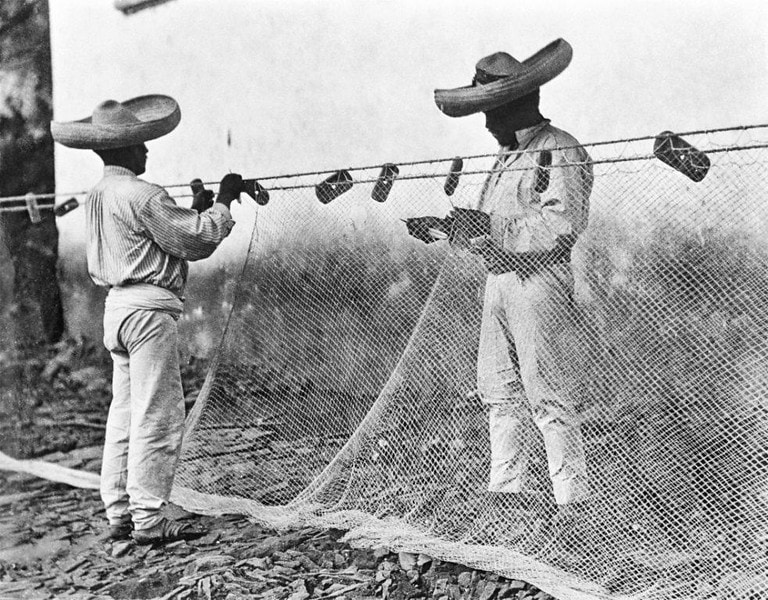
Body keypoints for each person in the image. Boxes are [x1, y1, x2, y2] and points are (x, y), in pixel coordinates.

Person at [411, 39, 594, 526]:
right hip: (500, 281)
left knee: (546, 388)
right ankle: (506, 491)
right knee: (498, 388)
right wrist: (450, 227)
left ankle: (571, 500)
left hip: (540, 283)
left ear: (516, 104)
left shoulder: (559, 148)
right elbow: (493, 226)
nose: (487, 123)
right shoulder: (505, 157)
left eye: (491, 111)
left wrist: (486, 228)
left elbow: (560, 225)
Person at [51, 95, 245, 545]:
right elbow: (196, 240)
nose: (147, 151)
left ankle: (119, 511)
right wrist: (224, 203)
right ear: (125, 150)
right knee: (158, 413)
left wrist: (196, 204)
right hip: (148, 310)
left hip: (116, 309)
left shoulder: (98, 195)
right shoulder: (144, 195)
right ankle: (150, 519)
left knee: (124, 413)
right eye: (140, 144)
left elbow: (162, 234)